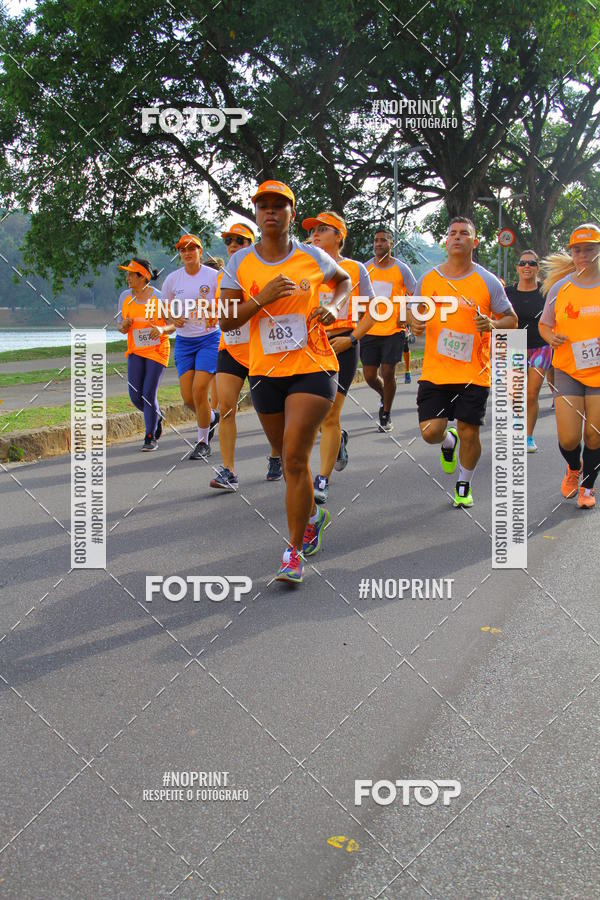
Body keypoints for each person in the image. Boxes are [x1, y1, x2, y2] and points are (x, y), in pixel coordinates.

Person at [219, 180, 351, 583]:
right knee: (283, 451)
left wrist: (332, 304)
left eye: (280, 205)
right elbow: (226, 320)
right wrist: (264, 297)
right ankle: (313, 515)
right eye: (263, 206)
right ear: (256, 214)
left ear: (292, 213)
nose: (271, 212)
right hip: (265, 373)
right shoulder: (239, 263)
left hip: (314, 366)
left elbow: (344, 282)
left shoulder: (312, 256)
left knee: (294, 457)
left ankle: (292, 554)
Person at [409, 217, 518, 508]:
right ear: (446, 241)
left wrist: (493, 324)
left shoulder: (488, 281)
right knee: (430, 432)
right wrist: (414, 323)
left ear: (474, 242)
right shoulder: (429, 279)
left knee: (470, 431)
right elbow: (412, 313)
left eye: (464, 234)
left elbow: (512, 320)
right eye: (452, 233)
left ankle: (463, 483)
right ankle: (448, 442)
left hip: (474, 371)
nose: (457, 237)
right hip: (435, 370)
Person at [302, 210, 376, 503]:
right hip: (309, 348)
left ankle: (322, 479)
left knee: (330, 414)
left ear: (339, 237)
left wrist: (352, 338)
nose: (315, 235)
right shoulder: (304, 267)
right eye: (312, 230)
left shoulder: (356, 269)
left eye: (322, 229)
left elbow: (375, 312)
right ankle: (338, 441)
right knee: (316, 416)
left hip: (343, 345)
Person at [210, 222, 283, 490]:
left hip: (261, 350)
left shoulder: (262, 271)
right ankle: (228, 471)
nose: (232, 244)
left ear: (251, 244)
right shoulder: (220, 276)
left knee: (270, 412)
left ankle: (276, 455)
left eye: (239, 241)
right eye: (229, 240)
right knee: (226, 407)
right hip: (229, 347)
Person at [539, 223, 600, 509]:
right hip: (568, 369)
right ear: (572, 253)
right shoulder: (561, 288)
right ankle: (573, 468)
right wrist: (552, 337)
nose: (584, 255)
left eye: (590, 249)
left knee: (595, 435)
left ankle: (587, 488)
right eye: (578, 250)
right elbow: (544, 324)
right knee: (569, 437)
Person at [161, 234, 220, 460]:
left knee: (199, 390)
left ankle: (203, 442)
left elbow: (226, 302)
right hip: (184, 342)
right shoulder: (173, 280)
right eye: (183, 250)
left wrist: (214, 312)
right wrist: (172, 319)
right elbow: (165, 308)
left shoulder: (214, 277)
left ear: (200, 252)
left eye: (191, 249)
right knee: (188, 399)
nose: (187, 253)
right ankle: (211, 418)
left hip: (209, 339)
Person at [362, 228, 417, 431]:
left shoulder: (401, 269)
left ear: (391, 244)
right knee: (368, 375)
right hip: (369, 329)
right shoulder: (365, 268)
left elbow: (416, 292)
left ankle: (386, 413)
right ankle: (384, 395)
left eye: (383, 240)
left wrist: (407, 313)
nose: (378, 244)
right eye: (376, 240)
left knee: (387, 371)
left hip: (394, 329)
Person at [117, 258, 174, 450]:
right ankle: (156, 415)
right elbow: (121, 326)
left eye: (131, 274)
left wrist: (161, 329)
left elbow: (173, 325)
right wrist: (123, 326)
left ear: (143, 277)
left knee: (148, 393)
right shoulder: (125, 297)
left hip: (157, 350)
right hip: (135, 351)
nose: (127, 278)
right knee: (135, 396)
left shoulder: (159, 297)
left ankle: (150, 437)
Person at [505, 250, 551, 452]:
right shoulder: (508, 293)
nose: (526, 267)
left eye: (531, 263)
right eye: (522, 263)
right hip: (514, 345)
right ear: (517, 267)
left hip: (540, 346)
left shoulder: (546, 292)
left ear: (537, 268)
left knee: (531, 395)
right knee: (515, 395)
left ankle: (528, 437)